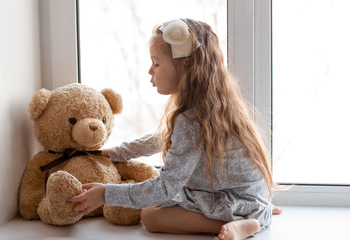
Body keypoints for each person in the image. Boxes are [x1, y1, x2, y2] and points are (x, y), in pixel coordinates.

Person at [68, 18, 280, 240]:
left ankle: (239, 221)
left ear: (185, 64)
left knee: (150, 216)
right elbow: (165, 138)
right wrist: (116, 152)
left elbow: (165, 187)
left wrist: (105, 193)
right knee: (157, 204)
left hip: (234, 198)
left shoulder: (191, 120)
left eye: (156, 64)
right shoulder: (214, 107)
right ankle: (253, 214)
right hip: (250, 195)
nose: (150, 71)